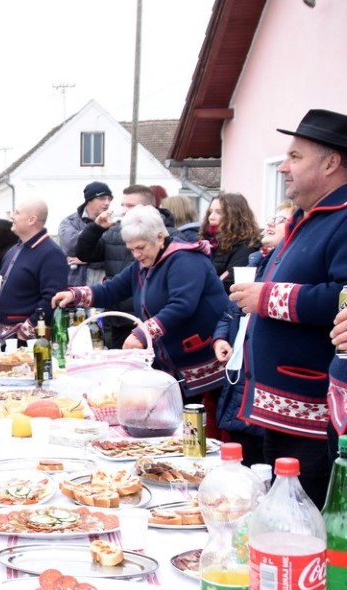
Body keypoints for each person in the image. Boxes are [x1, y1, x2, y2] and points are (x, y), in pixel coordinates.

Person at [235, 108, 347, 505]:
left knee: (305, 517)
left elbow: (342, 294)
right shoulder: (307, 217)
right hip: (283, 407)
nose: (283, 167)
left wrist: (267, 298)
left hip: (313, 411)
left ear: (331, 163)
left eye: (295, 157)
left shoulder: (342, 218)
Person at [55, 205, 228, 407]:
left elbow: (181, 306)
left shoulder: (185, 260)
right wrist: (75, 295)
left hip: (204, 360)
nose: (136, 255)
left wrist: (141, 334)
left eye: (141, 248)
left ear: (160, 238)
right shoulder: (144, 264)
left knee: (203, 418)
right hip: (174, 363)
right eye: (131, 249)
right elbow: (112, 289)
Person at [73, 184, 183, 348]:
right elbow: (85, 254)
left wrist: (148, 326)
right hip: (118, 319)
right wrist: (95, 229)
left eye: (130, 206)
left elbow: (181, 302)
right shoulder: (115, 231)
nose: (124, 211)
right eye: (122, 205)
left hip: (153, 322)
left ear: (148, 208)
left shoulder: (171, 239)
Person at [0, 199, 67, 343]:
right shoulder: (15, 249)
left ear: (32, 220)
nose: (12, 216)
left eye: (17, 213)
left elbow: (52, 298)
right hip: (6, 338)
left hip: (29, 341)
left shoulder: (51, 253)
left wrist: (27, 330)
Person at [58, 181, 112, 286]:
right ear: (89, 200)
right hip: (76, 284)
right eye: (102, 198)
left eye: (109, 199)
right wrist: (96, 232)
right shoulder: (69, 222)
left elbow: (115, 253)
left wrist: (88, 259)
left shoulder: (113, 223)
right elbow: (71, 247)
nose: (107, 203)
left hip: (105, 285)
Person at [205, 192, 260, 290]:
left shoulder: (246, 247)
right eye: (210, 212)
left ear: (235, 216)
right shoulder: (208, 242)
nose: (211, 217)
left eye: (218, 212)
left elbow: (228, 286)